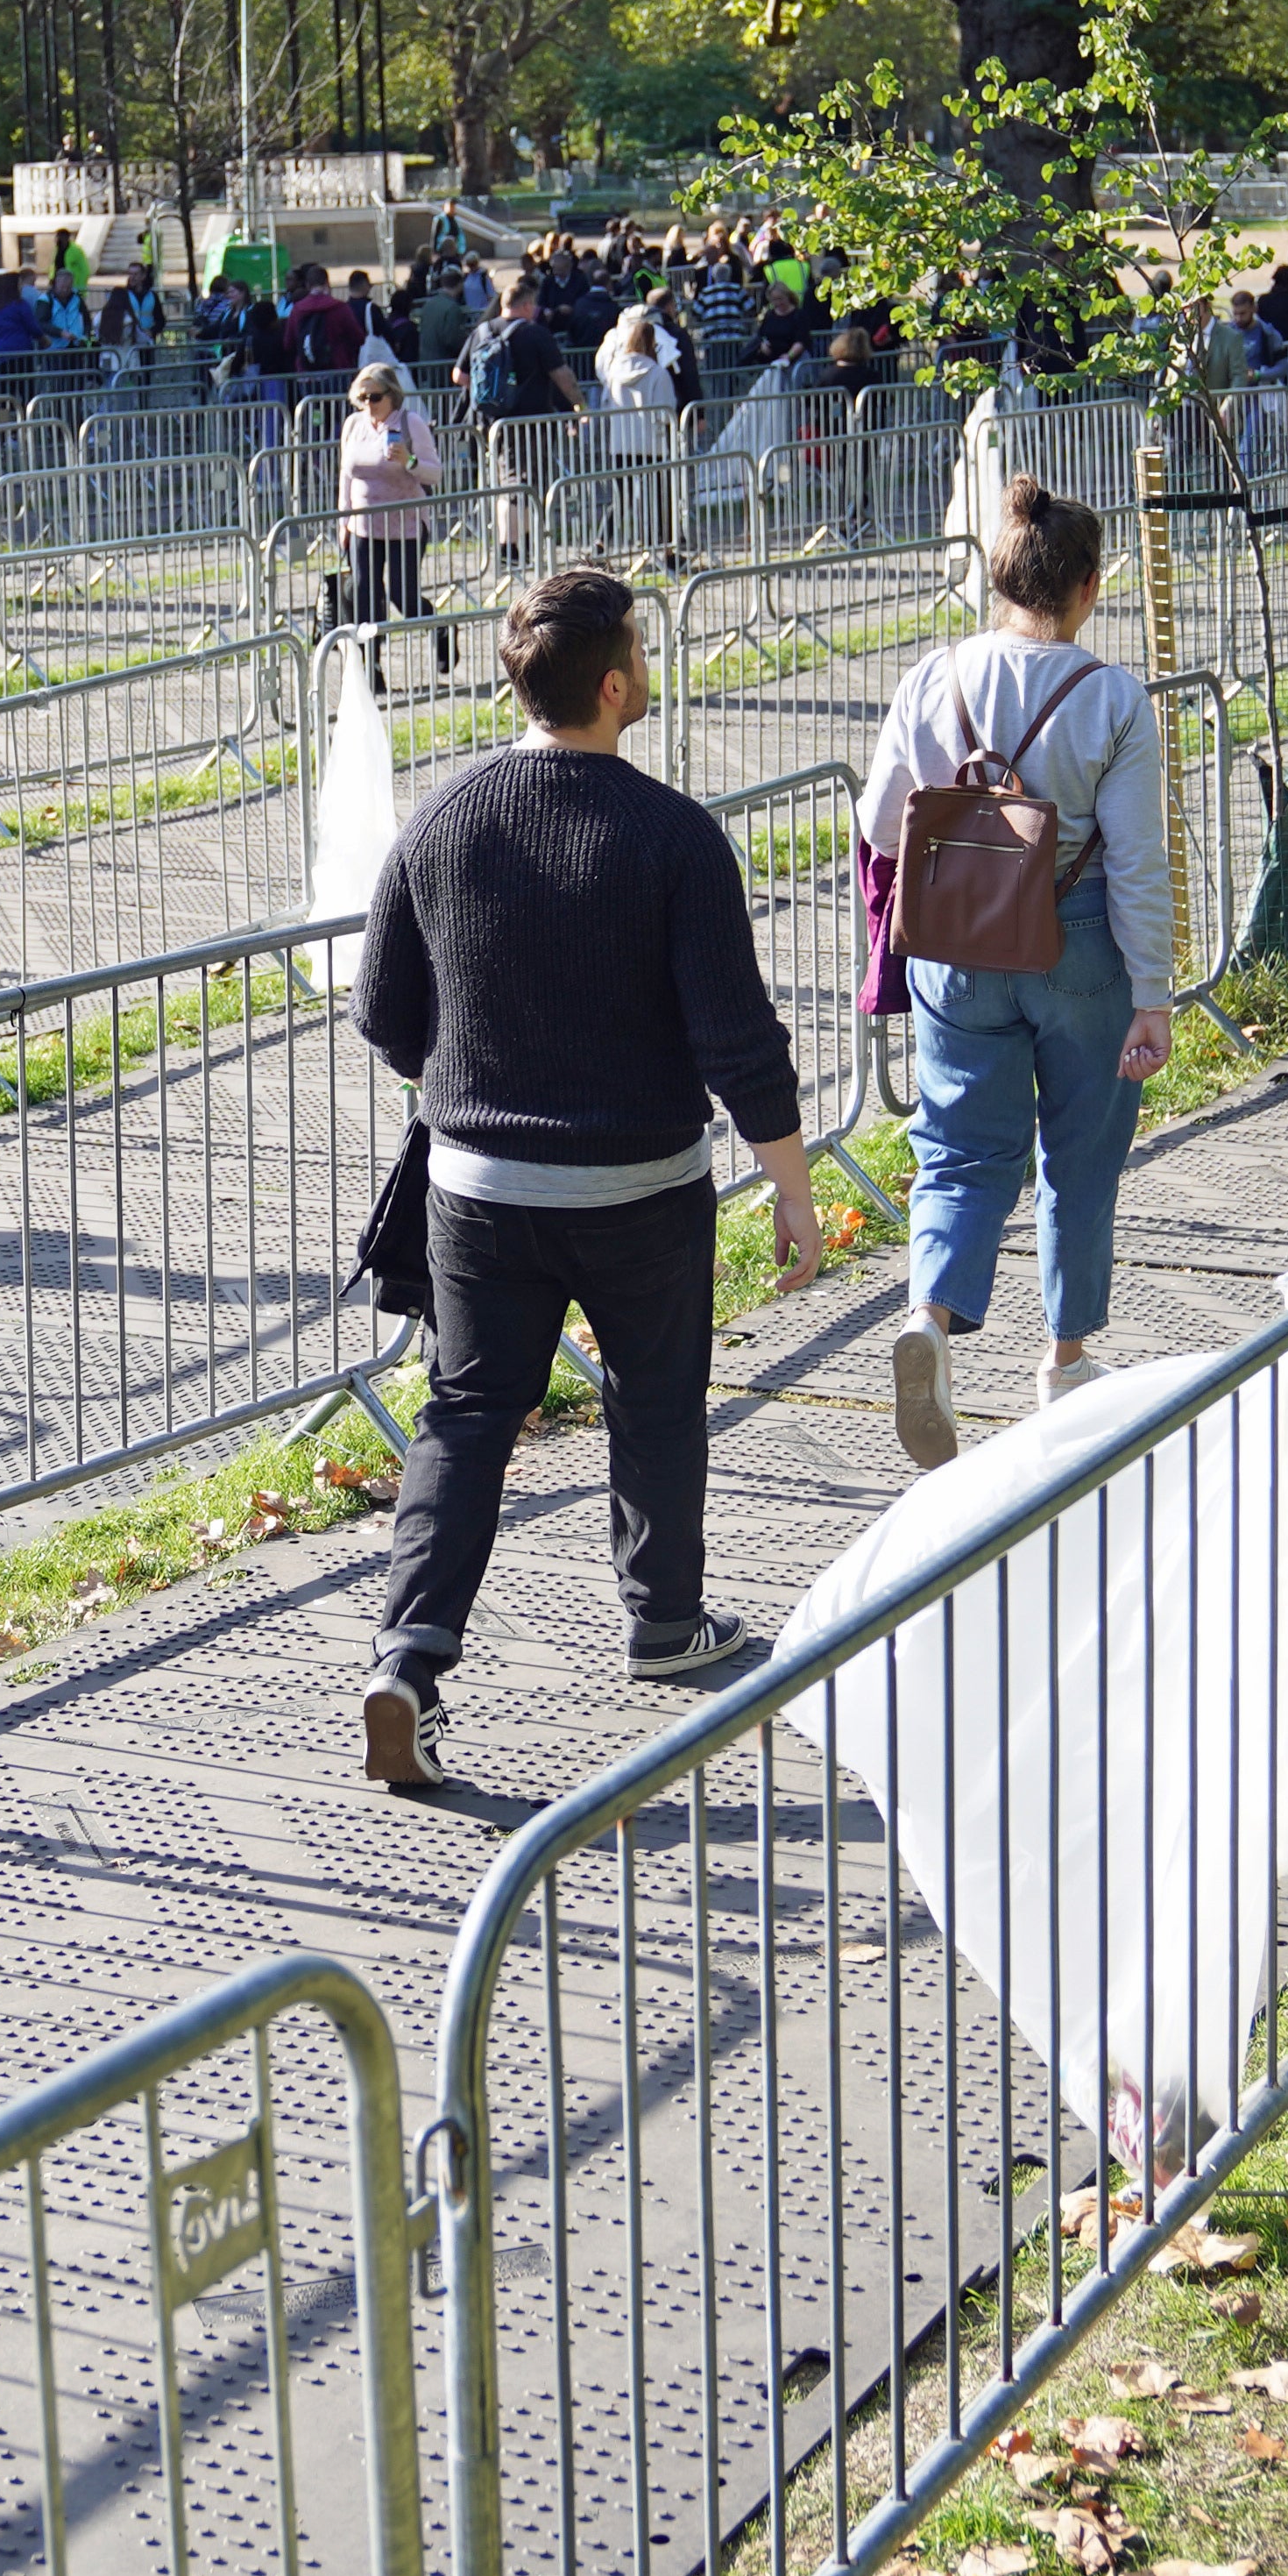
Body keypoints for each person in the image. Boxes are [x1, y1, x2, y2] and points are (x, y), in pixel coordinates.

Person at [350, 569, 818, 1787]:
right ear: (613, 686)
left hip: (478, 1191)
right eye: (643, 660)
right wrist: (793, 1184)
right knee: (655, 1400)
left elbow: (386, 1013)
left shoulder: (442, 820)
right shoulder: (674, 838)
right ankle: (665, 1620)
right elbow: (737, 1039)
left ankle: (409, 1658)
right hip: (640, 1189)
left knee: (465, 1415)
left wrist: (469, 1082)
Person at [858, 479, 1172, 1465]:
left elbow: (878, 824)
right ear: (1088, 587)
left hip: (956, 944)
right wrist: (1153, 997)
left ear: (998, 576)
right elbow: (1136, 861)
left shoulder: (933, 678)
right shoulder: (1112, 699)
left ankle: (931, 1322)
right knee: (1079, 1155)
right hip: (1077, 945)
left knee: (956, 1149)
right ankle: (1066, 1361)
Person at [336, 360, 444, 646]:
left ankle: (441, 629)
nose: (368, 403)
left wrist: (409, 461)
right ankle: (372, 664)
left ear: (392, 394)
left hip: (404, 524)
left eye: (375, 397)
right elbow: (346, 476)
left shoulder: (410, 423)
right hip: (363, 526)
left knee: (402, 596)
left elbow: (434, 474)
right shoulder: (353, 425)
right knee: (365, 596)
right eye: (362, 397)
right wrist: (343, 521)